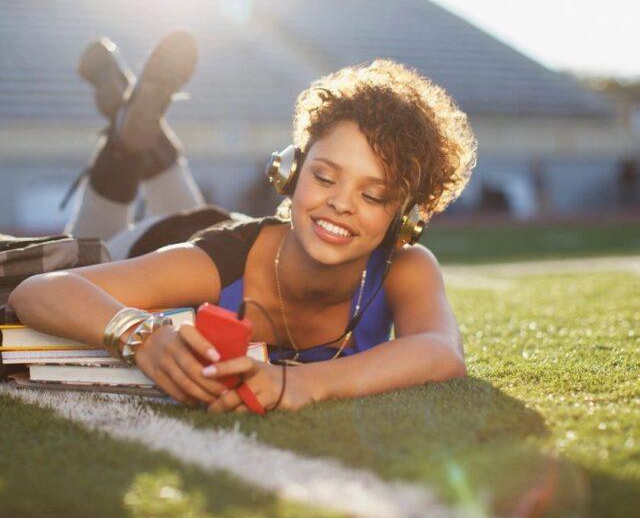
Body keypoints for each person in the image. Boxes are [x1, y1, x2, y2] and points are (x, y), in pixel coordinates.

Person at [9, 32, 478, 414]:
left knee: (179, 202)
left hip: (216, 228)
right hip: (155, 242)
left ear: (407, 218)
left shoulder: (405, 265)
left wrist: (301, 383)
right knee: (95, 236)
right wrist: (142, 336)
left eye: (373, 195)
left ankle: (129, 110)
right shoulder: (220, 260)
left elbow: (440, 351)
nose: (340, 203)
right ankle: (128, 137)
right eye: (324, 176)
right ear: (290, 171)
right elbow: (38, 291)